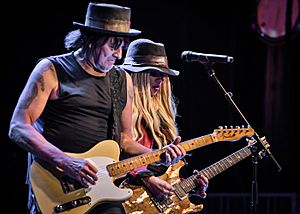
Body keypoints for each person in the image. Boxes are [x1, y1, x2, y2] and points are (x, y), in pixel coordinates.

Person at [8, 3, 185, 214]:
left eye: (122, 47)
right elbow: (18, 127)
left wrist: (158, 153)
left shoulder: (121, 80)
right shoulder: (52, 70)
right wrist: (66, 162)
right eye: (113, 45)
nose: (119, 55)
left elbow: (125, 140)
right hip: (57, 186)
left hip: (102, 189)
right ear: (91, 39)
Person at [118, 38, 209, 212]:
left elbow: (166, 175)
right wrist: (146, 178)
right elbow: (115, 153)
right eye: (154, 73)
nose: (160, 79)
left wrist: (192, 189)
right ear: (137, 75)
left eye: (164, 74)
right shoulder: (121, 111)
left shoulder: (163, 118)